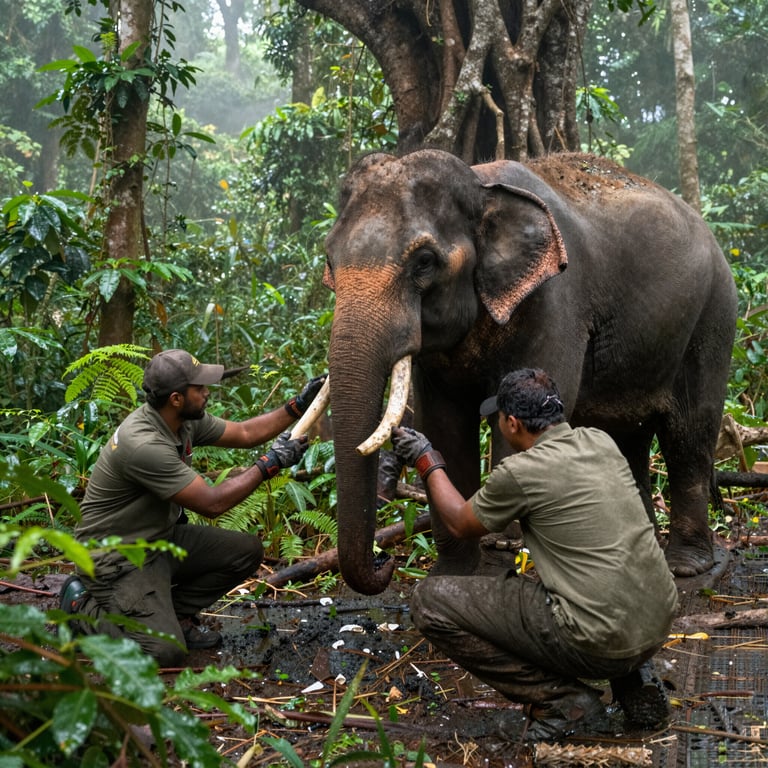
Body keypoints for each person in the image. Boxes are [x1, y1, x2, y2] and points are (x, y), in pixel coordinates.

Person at [390, 368, 678, 741]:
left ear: (512, 423)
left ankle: (562, 701)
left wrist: (426, 460)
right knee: (596, 571)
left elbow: (461, 524)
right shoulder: (600, 442)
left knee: (429, 602)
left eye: (499, 419)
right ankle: (634, 682)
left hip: (599, 636)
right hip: (657, 620)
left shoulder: (521, 472)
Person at [60, 349, 326, 667]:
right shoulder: (144, 444)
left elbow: (245, 433)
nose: (207, 393)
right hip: (116, 560)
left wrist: (298, 405)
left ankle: (174, 614)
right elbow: (213, 504)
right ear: (176, 398)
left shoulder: (180, 422)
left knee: (245, 550)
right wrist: (271, 464)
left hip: (158, 541)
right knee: (165, 653)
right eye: (199, 388)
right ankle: (81, 609)